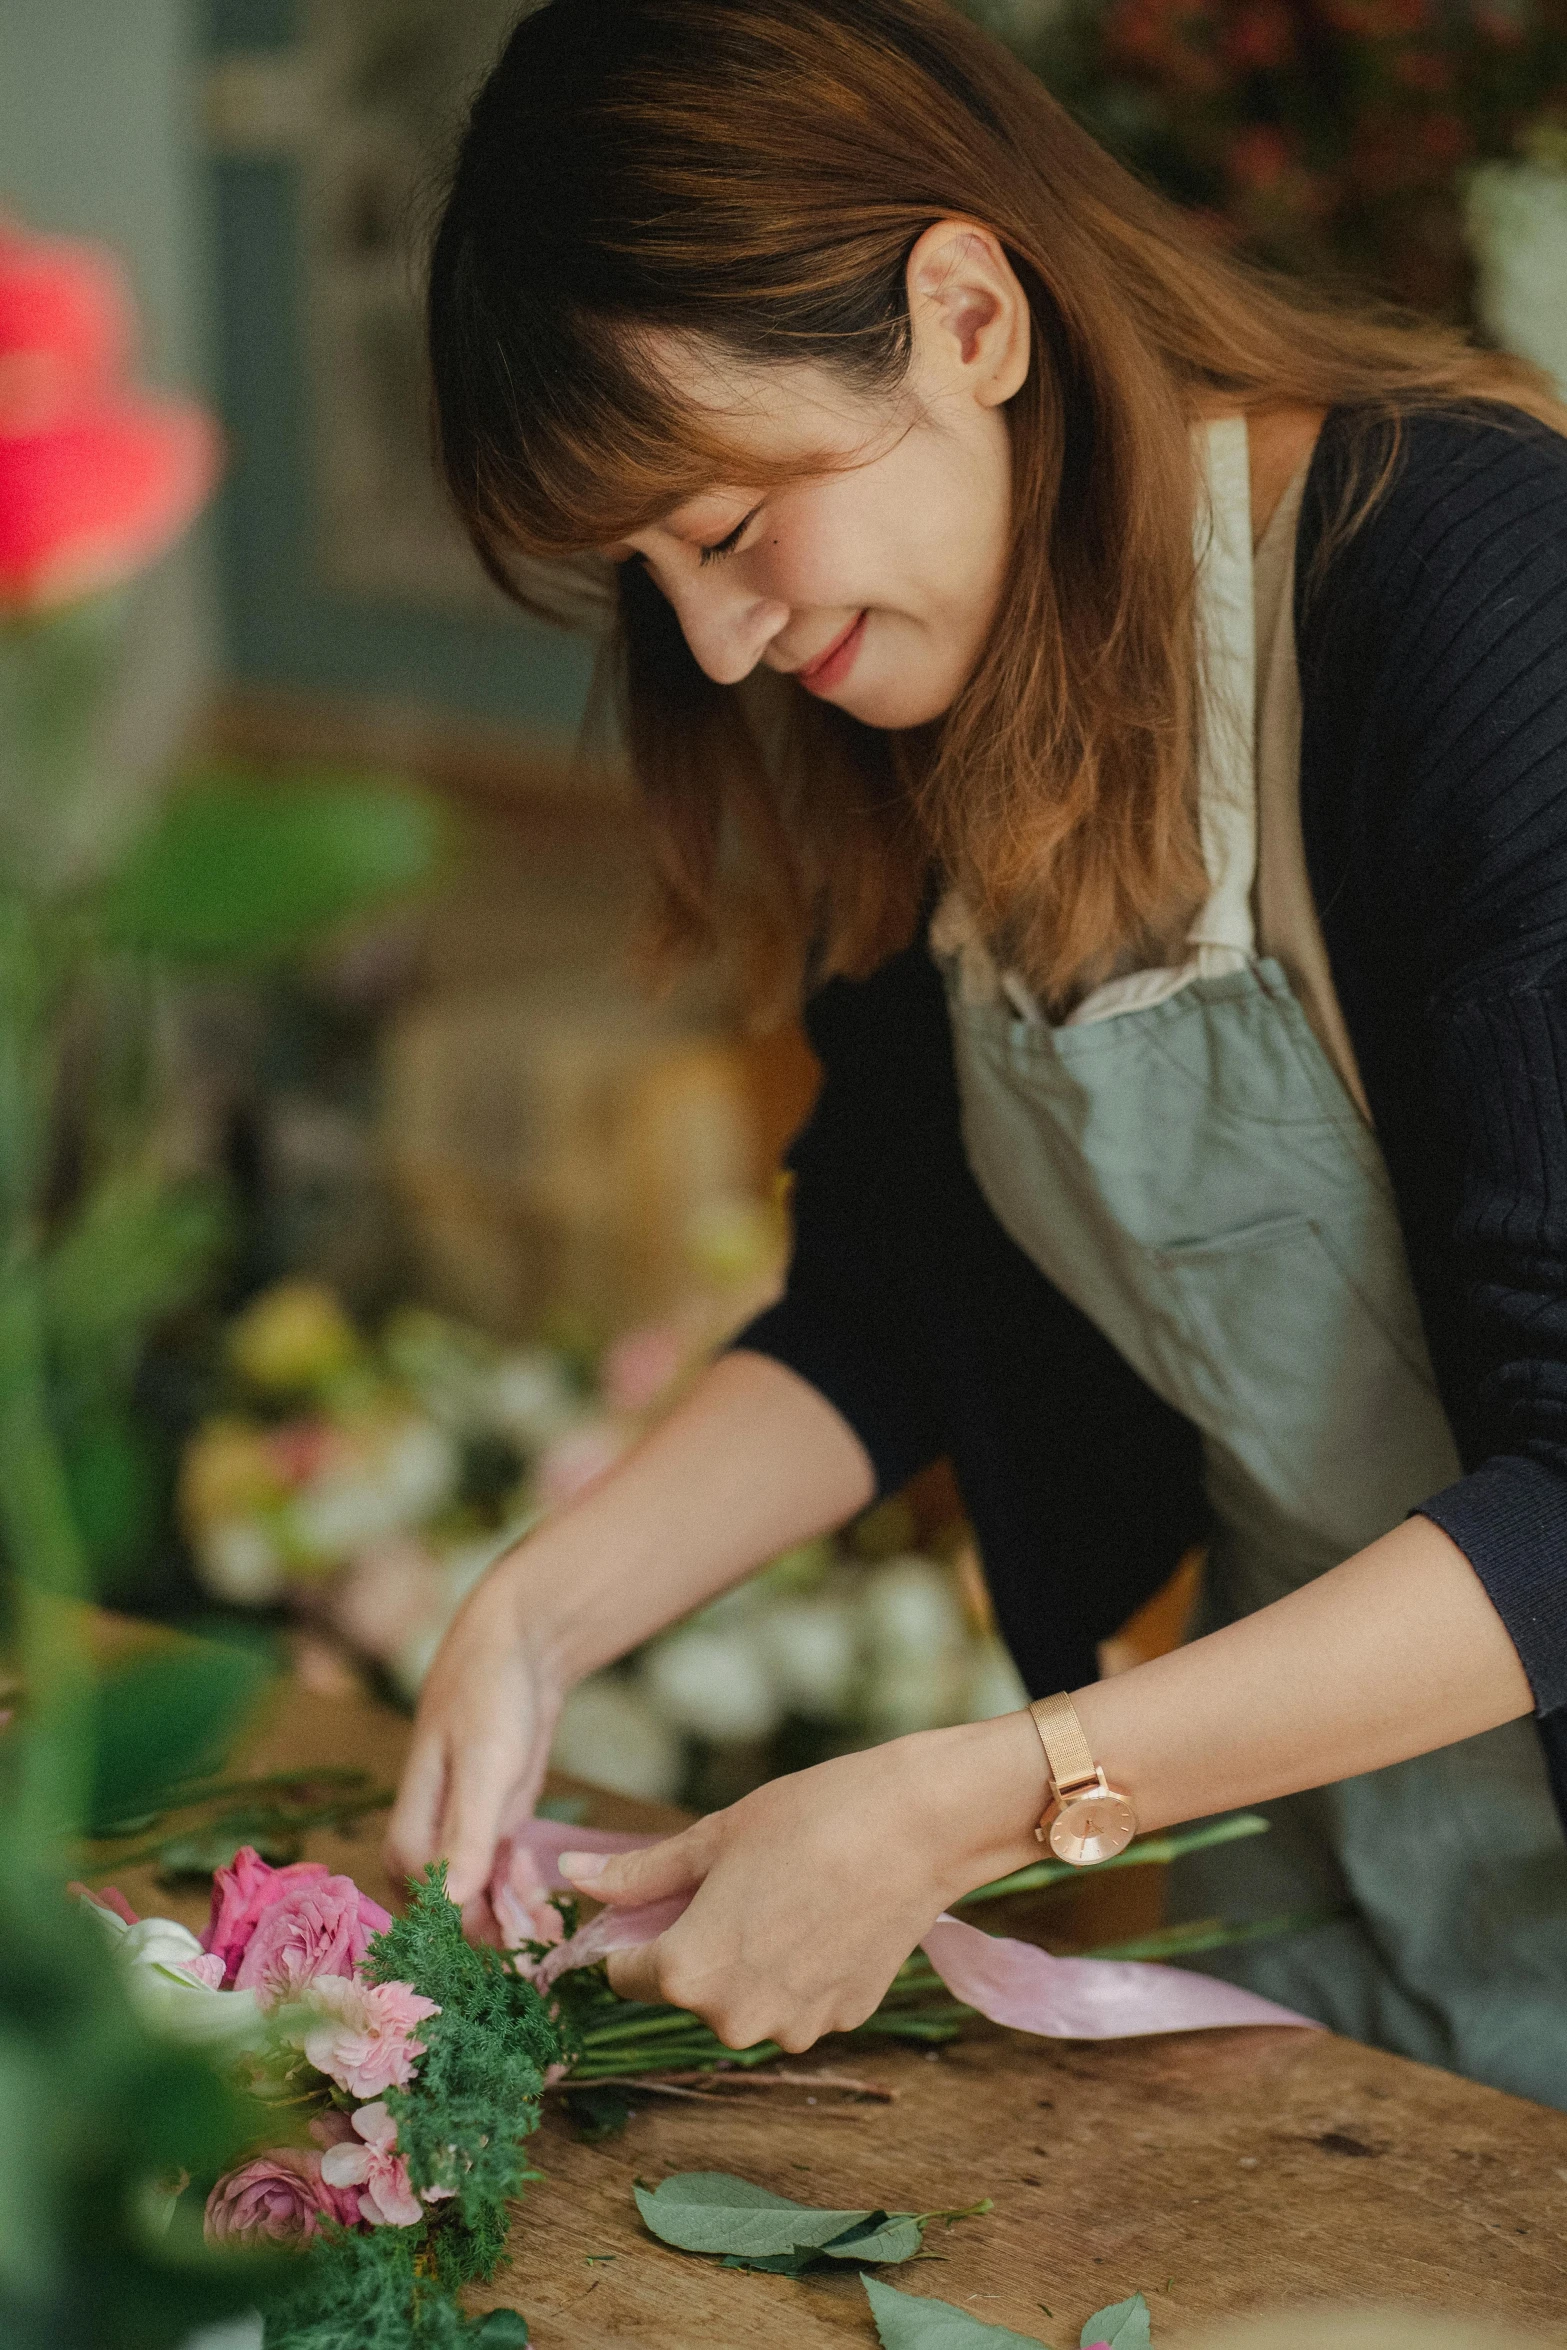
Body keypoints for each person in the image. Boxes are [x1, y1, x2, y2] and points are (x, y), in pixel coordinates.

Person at [386, 0, 1567, 2100]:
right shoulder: (938, 693)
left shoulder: (1465, 597)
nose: (725, 641)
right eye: (652, 581)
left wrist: (993, 1794)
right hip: (1359, 1899)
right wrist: (538, 1611)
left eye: (732, 526)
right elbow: (898, 1300)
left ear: (965, 314)